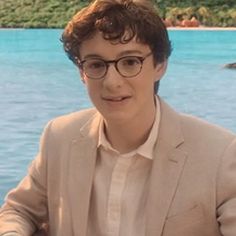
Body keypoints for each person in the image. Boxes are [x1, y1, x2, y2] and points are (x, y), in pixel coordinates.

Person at [1, 0, 236, 235]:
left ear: (160, 64)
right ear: (82, 72)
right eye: (96, 64)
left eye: (130, 62)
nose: (112, 82)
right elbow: (19, 211)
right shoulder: (60, 137)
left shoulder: (220, 153)